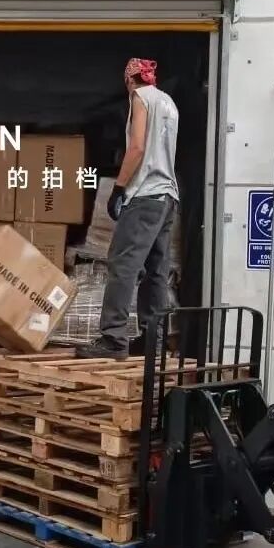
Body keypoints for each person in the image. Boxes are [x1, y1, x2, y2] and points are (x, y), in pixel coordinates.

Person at [76, 58, 179, 360]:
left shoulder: (140, 98)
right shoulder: (168, 102)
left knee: (122, 265)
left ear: (129, 80)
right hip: (167, 196)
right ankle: (152, 342)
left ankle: (113, 339)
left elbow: (137, 147)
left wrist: (119, 188)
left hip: (144, 195)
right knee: (156, 271)